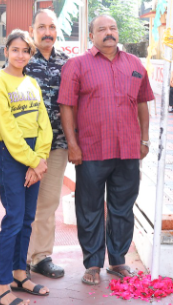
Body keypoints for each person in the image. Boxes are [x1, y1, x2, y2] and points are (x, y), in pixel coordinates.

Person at [58, 14, 154, 286]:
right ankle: (92, 263)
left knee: (122, 207)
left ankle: (118, 260)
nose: (109, 32)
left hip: (128, 150)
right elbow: (66, 106)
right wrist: (72, 145)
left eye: (113, 27)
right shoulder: (77, 65)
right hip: (90, 149)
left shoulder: (135, 65)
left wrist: (144, 141)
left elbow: (143, 104)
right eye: (102, 29)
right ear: (92, 35)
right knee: (89, 207)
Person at [0, 30, 53, 305]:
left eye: (26, 50)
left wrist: (40, 159)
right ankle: (0, 286)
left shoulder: (32, 83)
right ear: (6, 51)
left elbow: (44, 123)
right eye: (15, 49)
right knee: (13, 218)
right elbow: (6, 125)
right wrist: (31, 161)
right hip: (11, 153)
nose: (20, 55)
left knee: (27, 217)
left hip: (33, 154)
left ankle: (18, 274)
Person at [24, 9, 70, 279]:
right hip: (25, 146)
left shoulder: (67, 62)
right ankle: (20, 257)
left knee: (49, 201)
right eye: (42, 27)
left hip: (57, 144)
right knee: (21, 203)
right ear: (32, 30)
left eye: (52, 27)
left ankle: (40, 256)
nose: (47, 32)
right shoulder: (21, 58)